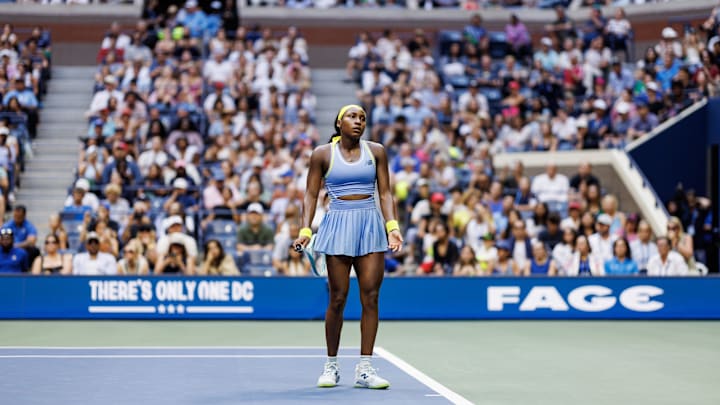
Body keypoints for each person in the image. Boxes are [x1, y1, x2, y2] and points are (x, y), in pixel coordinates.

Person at [293, 104, 403, 389]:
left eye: (363, 118)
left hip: (370, 225)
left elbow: (386, 193)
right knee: (338, 298)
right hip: (338, 224)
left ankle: (365, 369)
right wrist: (305, 230)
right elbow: (310, 193)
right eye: (353, 117)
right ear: (339, 122)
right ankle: (331, 366)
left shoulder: (376, 151)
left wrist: (393, 227)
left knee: (371, 296)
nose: (359, 122)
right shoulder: (322, 154)